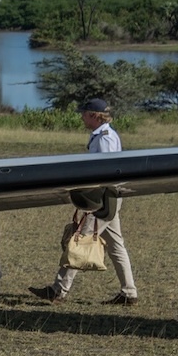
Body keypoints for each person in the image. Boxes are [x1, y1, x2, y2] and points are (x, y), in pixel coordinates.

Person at [29, 97, 139, 306]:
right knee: (116, 245)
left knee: (79, 241)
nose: (82, 117)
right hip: (108, 197)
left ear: (94, 116)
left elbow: (106, 171)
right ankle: (129, 292)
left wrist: (91, 202)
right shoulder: (104, 134)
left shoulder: (104, 137)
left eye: (85, 114)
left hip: (102, 198)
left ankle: (58, 290)